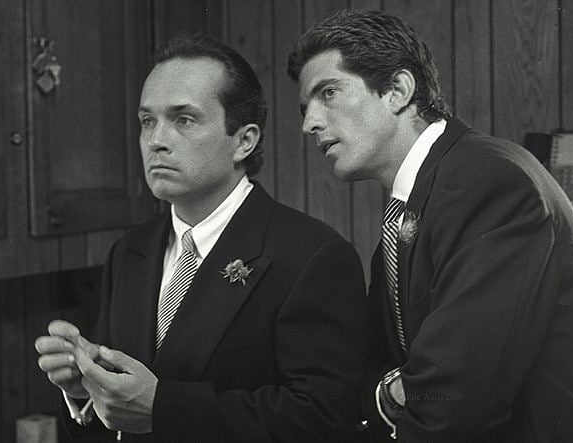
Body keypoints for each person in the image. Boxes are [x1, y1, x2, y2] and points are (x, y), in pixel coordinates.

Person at [35, 34, 369, 442]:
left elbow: (327, 419)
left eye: (183, 119)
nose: (156, 140)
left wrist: (165, 409)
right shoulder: (130, 252)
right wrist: (84, 391)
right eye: (147, 121)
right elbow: (117, 408)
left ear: (244, 140)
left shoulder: (313, 256)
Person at [287, 9, 573, 442]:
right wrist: (395, 390)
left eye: (329, 93)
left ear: (397, 90)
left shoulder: (489, 181)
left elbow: (456, 401)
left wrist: (397, 391)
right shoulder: (412, 212)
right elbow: (380, 377)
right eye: (306, 107)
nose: (310, 123)